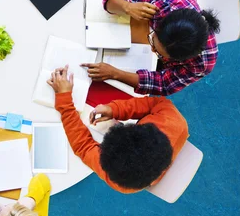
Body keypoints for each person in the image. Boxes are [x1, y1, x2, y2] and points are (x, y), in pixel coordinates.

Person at [48, 66, 188, 193]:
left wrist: (64, 101)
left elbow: (83, 147)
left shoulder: (118, 175)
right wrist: (114, 109)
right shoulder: (173, 119)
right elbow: (154, 103)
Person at [84, 0, 220, 96]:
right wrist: (127, 6)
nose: (152, 49)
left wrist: (116, 73)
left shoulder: (203, 63)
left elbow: (163, 84)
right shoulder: (165, 3)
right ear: (160, 23)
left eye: (159, 54)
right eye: (152, 41)